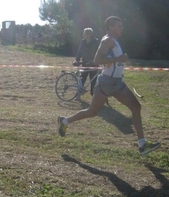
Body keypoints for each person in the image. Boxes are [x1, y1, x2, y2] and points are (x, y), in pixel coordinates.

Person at [58, 16, 160, 156]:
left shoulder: (115, 41)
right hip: (106, 83)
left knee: (136, 107)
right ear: (110, 27)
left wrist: (119, 62)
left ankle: (142, 144)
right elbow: (97, 60)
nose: (121, 28)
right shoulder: (107, 40)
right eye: (119, 26)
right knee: (92, 112)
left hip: (117, 83)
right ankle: (64, 121)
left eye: (121, 26)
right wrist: (119, 59)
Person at [74, 28, 100, 98]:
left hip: (93, 64)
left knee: (93, 81)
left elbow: (98, 52)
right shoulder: (83, 41)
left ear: (88, 34)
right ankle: (78, 93)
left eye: (84, 33)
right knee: (82, 78)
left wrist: (94, 61)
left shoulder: (96, 42)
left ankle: (93, 96)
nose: (83, 34)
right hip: (85, 63)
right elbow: (80, 50)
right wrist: (77, 60)